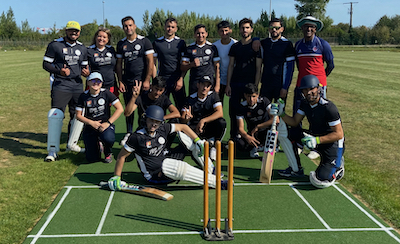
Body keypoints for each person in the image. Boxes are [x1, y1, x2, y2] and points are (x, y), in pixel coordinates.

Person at [108, 105, 227, 190]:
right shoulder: (136, 137)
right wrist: (116, 177)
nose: (154, 124)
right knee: (173, 165)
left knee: (188, 140)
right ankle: (216, 183)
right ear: (145, 119)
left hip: (165, 162)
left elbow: (183, 127)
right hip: (154, 175)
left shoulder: (162, 128)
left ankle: (210, 169)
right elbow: (121, 157)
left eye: (157, 122)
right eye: (151, 120)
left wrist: (198, 141)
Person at [272, 75, 345, 188]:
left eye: (311, 89)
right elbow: (295, 122)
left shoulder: (328, 108)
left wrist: (317, 140)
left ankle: (338, 167)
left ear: (318, 88)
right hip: (314, 139)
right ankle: (295, 169)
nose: (309, 92)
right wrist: (281, 113)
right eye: (305, 90)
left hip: (332, 144)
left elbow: (339, 134)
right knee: (290, 134)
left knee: (321, 181)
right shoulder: (305, 104)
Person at [67, 27, 119, 154]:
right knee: (88, 110)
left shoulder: (112, 50)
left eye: (104, 37)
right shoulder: (88, 50)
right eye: (99, 36)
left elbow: (117, 67)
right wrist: (85, 73)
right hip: (94, 86)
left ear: (108, 40)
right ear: (96, 37)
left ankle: (105, 132)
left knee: (106, 110)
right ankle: (83, 136)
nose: (101, 39)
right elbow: (79, 65)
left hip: (110, 85)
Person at [43, 21, 88, 161]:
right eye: (71, 30)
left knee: (78, 114)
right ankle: (52, 150)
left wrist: (86, 72)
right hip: (61, 84)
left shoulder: (82, 48)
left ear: (79, 32)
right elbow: (45, 64)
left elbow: (85, 67)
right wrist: (59, 71)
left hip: (77, 85)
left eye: (76, 31)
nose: (73, 33)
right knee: (56, 115)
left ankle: (71, 144)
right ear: (66, 31)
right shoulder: (55, 45)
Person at [236, 84, 302, 175]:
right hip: (253, 133)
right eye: (249, 97)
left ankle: (271, 144)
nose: (251, 100)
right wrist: (247, 137)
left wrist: (259, 126)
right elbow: (240, 128)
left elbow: (275, 119)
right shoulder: (241, 106)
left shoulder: (264, 102)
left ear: (257, 95)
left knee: (279, 129)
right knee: (240, 145)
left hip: (266, 130)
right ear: (245, 96)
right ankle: (256, 146)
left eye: (254, 96)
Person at [293, 15, 335, 159]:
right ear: (302, 28)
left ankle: (316, 147)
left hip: (318, 88)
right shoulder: (298, 45)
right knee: (297, 115)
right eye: (306, 26)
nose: (308, 29)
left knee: (318, 118)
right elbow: (299, 65)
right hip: (300, 86)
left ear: (315, 29)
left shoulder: (323, 44)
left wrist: (321, 80)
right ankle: (298, 143)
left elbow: (331, 65)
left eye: (311, 27)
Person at [116, 16, 154, 145]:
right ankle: (129, 133)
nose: (128, 28)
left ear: (135, 26)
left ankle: (142, 132)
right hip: (128, 82)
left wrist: (147, 80)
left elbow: (150, 61)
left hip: (142, 82)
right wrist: (120, 81)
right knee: (129, 108)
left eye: (130, 25)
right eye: (126, 26)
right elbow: (119, 64)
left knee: (143, 109)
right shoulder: (121, 44)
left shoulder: (144, 41)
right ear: (123, 28)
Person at [226, 18, 262, 140]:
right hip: (236, 83)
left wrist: (255, 87)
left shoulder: (256, 46)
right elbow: (231, 65)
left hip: (250, 85)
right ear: (239, 29)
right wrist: (228, 84)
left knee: (252, 112)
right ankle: (234, 137)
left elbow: (258, 68)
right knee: (234, 111)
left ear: (251, 29)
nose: (244, 30)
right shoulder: (235, 47)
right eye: (242, 27)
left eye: (247, 27)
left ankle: (253, 138)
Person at [75, 72, 124, 163]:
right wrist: (91, 123)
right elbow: (78, 115)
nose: (96, 83)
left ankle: (107, 151)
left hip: (104, 125)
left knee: (109, 139)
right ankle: (98, 145)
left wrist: (108, 123)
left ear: (101, 83)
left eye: (98, 81)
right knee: (92, 159)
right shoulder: (83, 96)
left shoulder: (106, 93)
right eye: (93, 80)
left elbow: (120, 109)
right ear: (88, 82)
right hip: (90, 127)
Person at [180, 75, 226, 159]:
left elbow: (220, 113)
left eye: (207, 86)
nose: (205, 88)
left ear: (210, 87)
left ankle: (214, 147)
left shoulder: (213, 96)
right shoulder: (190, 99)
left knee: (221, 122)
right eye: (203, 85)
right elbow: (183, 119)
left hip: (208, 126)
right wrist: (186, 119)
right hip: (195, 128)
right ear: (198, 85)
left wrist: (203, 120)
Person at [152, 18, 187, 110]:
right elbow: (153, 63)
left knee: (182, 107)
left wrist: (181, 79)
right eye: (168, 26)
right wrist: (155, 79)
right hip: (162, 79)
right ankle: (161, 125)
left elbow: (184, 64)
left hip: (177, 80)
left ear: (176, 29)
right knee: (160, 107)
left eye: (172, 27)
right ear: (164, 27)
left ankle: (182, 125)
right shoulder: (157, 42)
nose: (170, 29)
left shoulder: (181, 43)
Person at [260, 18, 296, 103]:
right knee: (263, 111)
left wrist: (285, 87)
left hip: (279, 84)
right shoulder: (265, 43)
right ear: (269, 29)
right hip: (266, 84)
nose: (274, 30)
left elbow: (290, 68)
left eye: (277, 27)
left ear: (282, 29)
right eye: (272, 27)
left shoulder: (287, 44)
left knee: (278, 112)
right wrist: (255, 40)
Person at [181, 24, 220, 95]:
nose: (200, 35)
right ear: (194, 35)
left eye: (202, 33)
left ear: (206, 34)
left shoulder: (213, 47)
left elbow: (217, 67)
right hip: (194, 82)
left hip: (209, 82)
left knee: (209, 105)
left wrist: (217, 85)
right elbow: (183, 67)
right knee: (193, 104)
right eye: (198, 33)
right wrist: (191, 64)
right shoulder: (189, 48)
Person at [213, 21, 237, 105]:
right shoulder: (214, 46)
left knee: (234, 106)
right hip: (219, 81)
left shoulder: (236, 44)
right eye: (221, 31)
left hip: (233, 80)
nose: (224, 33)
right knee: (217, 106)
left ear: (230, 30)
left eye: (226, 30)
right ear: (218, 32)